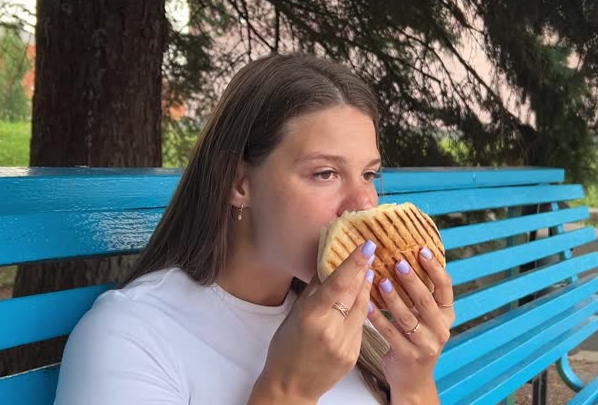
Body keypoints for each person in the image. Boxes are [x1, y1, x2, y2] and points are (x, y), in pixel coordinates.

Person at [53, 54, 455, 404]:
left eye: (369, 174)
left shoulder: (350, 322)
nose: (365, 204)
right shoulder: (130, 338)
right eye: (326, 173)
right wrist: (287, 391)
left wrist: (414, 381)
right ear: (238, 183)